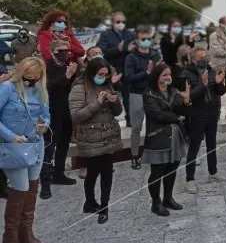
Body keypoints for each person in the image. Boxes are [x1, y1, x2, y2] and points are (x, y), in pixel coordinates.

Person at [0, 57, 50, 243]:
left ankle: (26, 231)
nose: (31, 81)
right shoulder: (7, 88)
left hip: (36, 143)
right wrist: (11, 136)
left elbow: (47, 114)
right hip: (14, 147)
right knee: (19, 189)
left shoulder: (41, 88)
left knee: (32, 188)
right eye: (28, 77)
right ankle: (10, 235)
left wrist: (44, 125)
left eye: (35, 77)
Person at [68, 58, 122, 224]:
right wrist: (97, 103)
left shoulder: (106, 85)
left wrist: (115, 102)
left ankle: (104, 206)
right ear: (92, 73)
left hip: (108, 136)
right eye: (100, 74)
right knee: (92, 173)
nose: (103, 77)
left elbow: (117, 112)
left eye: (106, 75)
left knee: (107, 172)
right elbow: (76, 116)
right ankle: (90, 202)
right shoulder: (79, 88)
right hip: (91, 137)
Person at [143, 64, 191, 216]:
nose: (167, 77)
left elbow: (183, 111)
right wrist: (176, 117)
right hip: (158, 137)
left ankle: (168, 198)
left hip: (176, 136)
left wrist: (187, 102)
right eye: (164, 74)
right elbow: (156, 115)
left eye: (169, 74)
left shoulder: (174, 92)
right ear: (157, 76)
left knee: (172, 169)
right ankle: (156, 203)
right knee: (157, 172)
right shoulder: (149, 94)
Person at [181, 47, 226, 194]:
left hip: (212, 113)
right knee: (194, 148)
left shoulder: (212, 70)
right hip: (196, 115)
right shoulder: (186, 74)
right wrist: (203, 84)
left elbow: (219, 92)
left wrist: (220, 83)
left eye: (206, 56)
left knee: (211, 144)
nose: (205, 59)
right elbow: (189, 97)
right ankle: (190, 179)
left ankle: (213, 171)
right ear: (193, 59)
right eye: (201, 57)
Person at [39, 40, 78, 200]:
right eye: (61, 50)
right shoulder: (45, 66)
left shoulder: (68, 65)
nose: (65, 53)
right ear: (53, 50)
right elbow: (45, 86)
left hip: (66, 112)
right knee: (49, 147)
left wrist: (72, 75)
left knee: (63, 145)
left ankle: (59, 174)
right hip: (51, 112)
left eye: (67, 50)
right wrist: (65, 76)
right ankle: (45, 184)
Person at [124, 27, 162, 169]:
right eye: (143, 39)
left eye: (148, 39)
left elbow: (160, 73)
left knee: (154, 126)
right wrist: (146, 73)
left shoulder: (155, 54)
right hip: (137, 94)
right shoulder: (131, 57)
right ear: (137, 40)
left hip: (154, 94)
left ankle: (151, 153)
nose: (146, 41)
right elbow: (128, 77)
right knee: (136, 127)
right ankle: (134, 155)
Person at [97, 12, 135, 127]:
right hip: (112, 70)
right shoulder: (105, 34)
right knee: (109, 96)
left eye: (123, 21)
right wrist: (118, 49)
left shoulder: (130, 34)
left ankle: (130, 120)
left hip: (128, 70)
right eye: (118, 22)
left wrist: (129, 50)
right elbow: (103, 52)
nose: (121, 24)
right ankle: (107, 122)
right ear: (113, 23)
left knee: (129, 97)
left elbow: (135, 49)